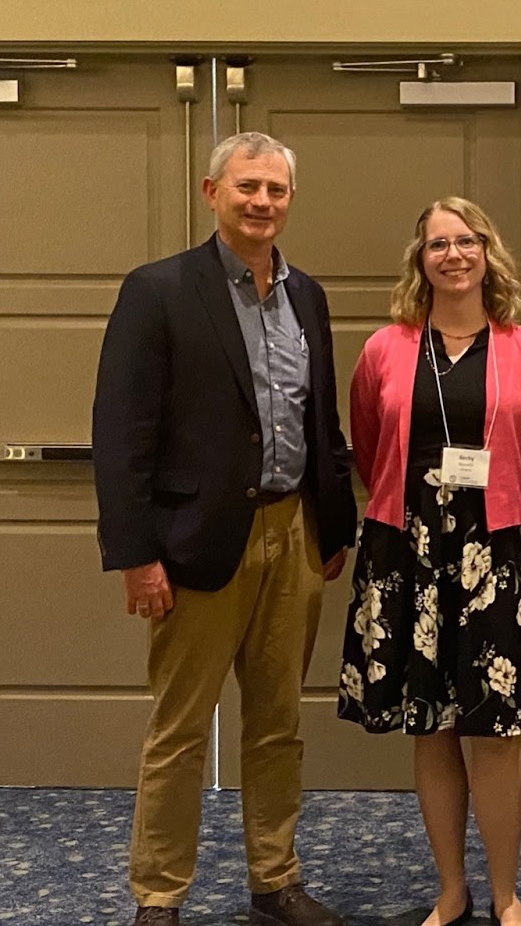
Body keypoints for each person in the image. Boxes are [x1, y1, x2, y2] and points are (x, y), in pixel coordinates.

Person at [93, 132, 358, 926]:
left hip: (294, 536)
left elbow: (322, 421)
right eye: (247, 187)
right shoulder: (159, 291)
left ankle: (275, 880)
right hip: (198, 545)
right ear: (212, 192)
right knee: (178, 732)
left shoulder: (306, 295)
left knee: (277, 724)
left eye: (276, 190)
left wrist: (332, 526)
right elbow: (121, 433)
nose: (262, 203)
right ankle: (159, 895)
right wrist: (136, 555)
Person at [341, 196, 521, 926]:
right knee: (431, 724)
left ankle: (505, 895)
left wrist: (487, 513)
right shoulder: (384, 348)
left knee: (497, 732)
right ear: (422, 259)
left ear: (487, 253)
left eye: (465, 241)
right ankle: (451, 889)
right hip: (406, 553)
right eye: (437, 243)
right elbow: (369, 445)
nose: (452, 255)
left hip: (497, 552)